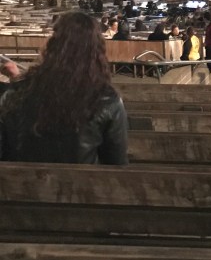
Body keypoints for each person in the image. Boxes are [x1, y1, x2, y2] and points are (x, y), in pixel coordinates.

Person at [0, 12, 128, 164]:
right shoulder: (107, 100)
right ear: (97, 51)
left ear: (52, 45)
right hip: (83, 186)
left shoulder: (15, 93)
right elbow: (116, 164)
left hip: (18, 186)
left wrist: (17, 80)